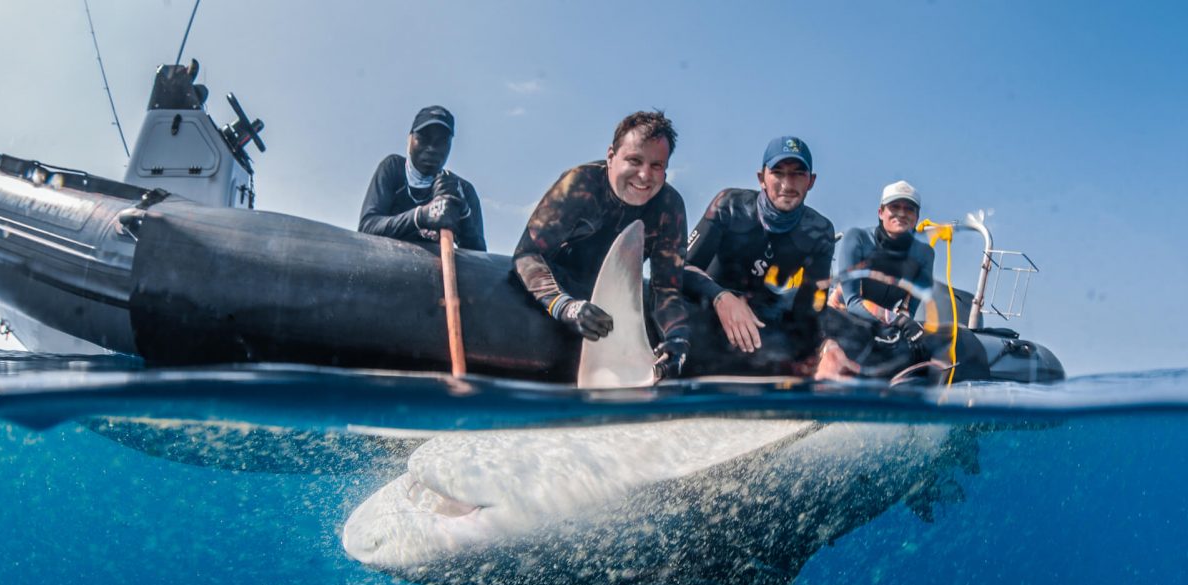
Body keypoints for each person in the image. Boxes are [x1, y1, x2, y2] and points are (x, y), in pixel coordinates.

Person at [511, 110, 690, 379]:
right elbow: (527, 254)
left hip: (614, 302)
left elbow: (666, 287)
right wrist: (564, 306)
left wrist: (677, 338)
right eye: (634, 160)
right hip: (559, 290)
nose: (644, 175)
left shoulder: (670, 206)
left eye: (656, 165)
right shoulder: (579, 183)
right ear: (611, 156)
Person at [681, 135, 856, 379]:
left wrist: (826, 345)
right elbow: (681, 268)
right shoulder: (729, 205)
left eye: (797, 174)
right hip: (707, 304)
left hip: (763, 318)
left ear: (811, 181)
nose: (787, 183)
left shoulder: (819, 231)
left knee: (845, 329)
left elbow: (811, 307)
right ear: (761, 178)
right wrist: (721, 297)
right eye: (778, 172)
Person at [833, 180, 989, 380]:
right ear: (881, 212)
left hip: (886, 327)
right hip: (842, 319)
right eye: (894, 207)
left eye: (909, 209)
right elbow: (852, 302)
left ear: (916, 217)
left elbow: (909, 310)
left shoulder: (924, 254)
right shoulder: (857, 238)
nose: (902, 213)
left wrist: (905, 329)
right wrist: (899, 321)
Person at [358, 105, 486, 251]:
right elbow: (366, 227)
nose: (432, 148)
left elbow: (479, 257)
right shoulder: (393, 169)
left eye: (441, 142)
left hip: (434, 272)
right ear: (409, 139)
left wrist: (464, 215)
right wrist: (420, 216)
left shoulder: (461, 190)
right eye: (424, 139)